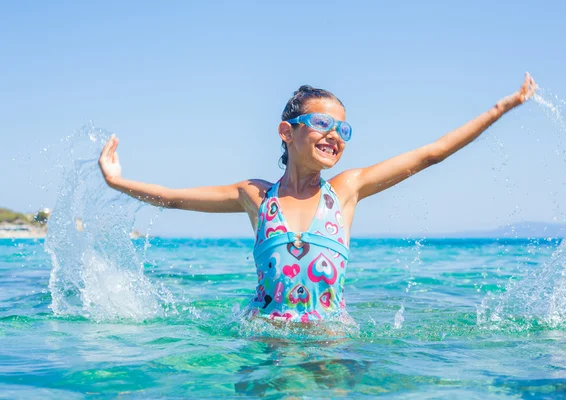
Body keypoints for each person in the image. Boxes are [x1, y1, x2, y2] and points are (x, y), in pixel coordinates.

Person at [98, 74, 537, 324]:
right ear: (287, 132)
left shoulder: (346, 190)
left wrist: (498, 110)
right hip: (267, 337)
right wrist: (118, 182)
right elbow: (174, 199)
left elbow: (430, 154)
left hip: (330, 339)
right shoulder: (257, 197)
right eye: (322, 123)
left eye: (342, 129)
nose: (334, 135)